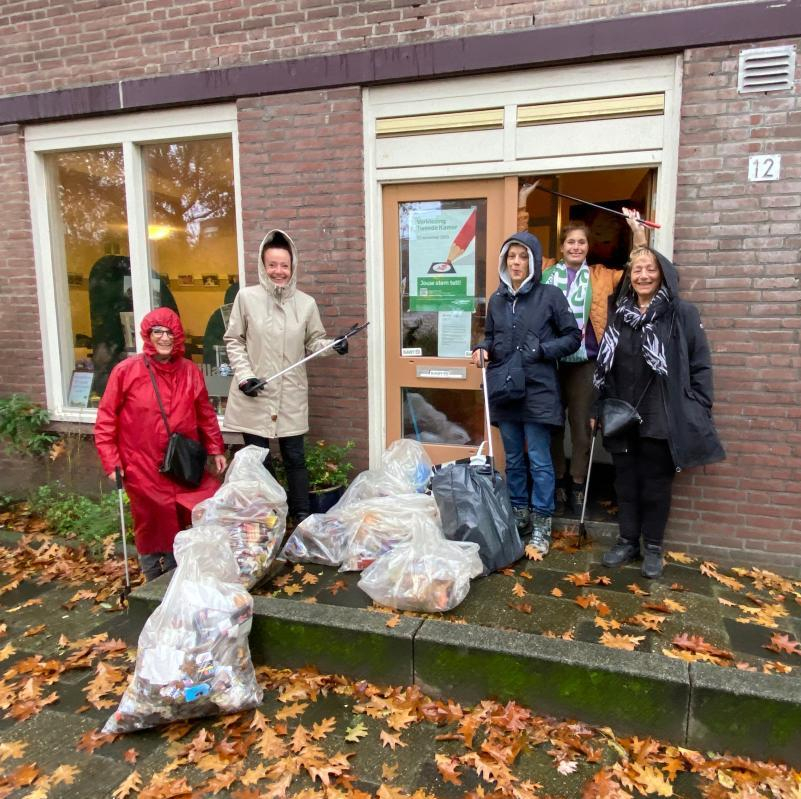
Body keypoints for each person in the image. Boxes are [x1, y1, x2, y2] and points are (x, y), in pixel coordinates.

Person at [591, 247, 725, 578]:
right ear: (629, 276)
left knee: (655, 484)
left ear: (662, 273)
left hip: (660, 415)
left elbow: (700, 364)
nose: (643, 276)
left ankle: (652, 546)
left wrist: (698, 405)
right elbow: (604, 367)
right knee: (625, 483)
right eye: (637, 270)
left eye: (650, 269)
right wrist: (599, 405)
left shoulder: (681, 313)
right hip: (622, 413)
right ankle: (627, 541)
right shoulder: (619, 314)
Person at [518, 185, 649, 515]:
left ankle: (577, 484)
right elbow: (522, 246)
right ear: (561, 247)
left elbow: (638, 271)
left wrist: (638, 234)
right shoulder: (545, 271)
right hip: (547, 361)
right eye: (570, 242)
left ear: (588, 248)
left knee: (580, 427)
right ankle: (556, 482)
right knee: (550, 425)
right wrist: (522, 203)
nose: (576, 246)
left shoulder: (602, 277)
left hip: (584, 363)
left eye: (582, 242)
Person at [222, 229, 348, 524]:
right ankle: (266, 520)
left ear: (293, 267)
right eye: (273, 265)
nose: (279, 271)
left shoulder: (306, 304)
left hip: (289, 393)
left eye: (284, 265)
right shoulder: (246, 298)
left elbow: (314, 342)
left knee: (295, 457)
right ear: (263, 266)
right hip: (255, 393)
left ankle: (301, 515)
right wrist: (245, 377)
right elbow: (234, 340)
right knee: (259, 461)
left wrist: (333, 346)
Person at [94, 307, 227, 581]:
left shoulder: (190, 371)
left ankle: (183, 573)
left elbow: (205, 414)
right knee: (151, 523)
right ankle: (154, 580)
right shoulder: (126, 371)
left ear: (178, 336)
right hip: (142, 465)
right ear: (148, 334)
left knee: (193, 513)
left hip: (182, 463)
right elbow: (106, 420)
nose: (164, 338)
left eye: (169, 332)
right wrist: (112, 462)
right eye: (158, 332)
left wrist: (215, 448)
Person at [471, 232, 581, 554]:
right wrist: (482, 348)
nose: (516, 262)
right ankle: (519, 515)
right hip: (505, 388)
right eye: (511, 257)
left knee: (539, 460)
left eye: (522, 257)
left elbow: (573, 337)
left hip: (538, 389)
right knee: (515, 459)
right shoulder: (497, 300)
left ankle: (542, 524)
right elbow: (490, 337)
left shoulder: (550, 296)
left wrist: (542, 350)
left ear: (533, 261)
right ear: (505, 262)